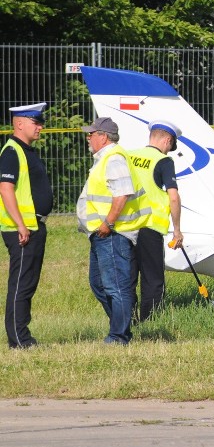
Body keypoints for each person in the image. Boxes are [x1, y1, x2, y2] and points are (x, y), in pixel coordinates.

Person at [76, 117, 148, 344]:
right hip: (101, 234)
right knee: (99, 284)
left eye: (92, 134)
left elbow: (122, 194)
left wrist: (108, 223)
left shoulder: (114, 158)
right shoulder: (104, 158)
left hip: (113, 234)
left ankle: (119, 336)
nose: (88, 137)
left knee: (116, 286)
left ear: (103, 137)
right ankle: (122, 326)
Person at [1, 103, 53, 349]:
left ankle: (22, 335)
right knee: (21, 284)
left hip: (34, 227)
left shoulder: (27, 150)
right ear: (19, 123)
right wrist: (21, 224)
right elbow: (5, 189)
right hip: (22, 230)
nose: (40, 127)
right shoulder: (11, 151)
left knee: (28, 284)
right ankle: (19, 339)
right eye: (36, 122)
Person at [127, 120, 183, 322]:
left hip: (125, 227)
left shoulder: (129, 156)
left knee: (128, 278)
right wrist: (177, 230)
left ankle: (126, 321)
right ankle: (148, 323)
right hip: (150, 227)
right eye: (171, 147)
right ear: (168, 140)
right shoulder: (163, 161)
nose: (169, 151)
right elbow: (173, 197)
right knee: (152, 279)